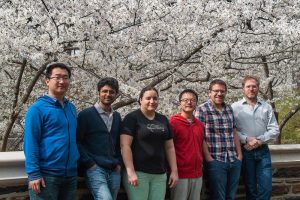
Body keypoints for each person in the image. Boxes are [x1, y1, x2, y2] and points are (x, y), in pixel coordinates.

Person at [24, 62, 79, 200]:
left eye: (66, 78)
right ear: (47, 81)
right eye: (57, 77)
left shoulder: (71, 108)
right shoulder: (37, 109)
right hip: (46, 176)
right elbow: (30, 142)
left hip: (70, 175)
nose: (62, 81)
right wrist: (34, 173)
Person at [120, 86, 178, 200]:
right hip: (139, 172)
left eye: (155, 98)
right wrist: (130, 172)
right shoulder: (131, 118)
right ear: (140, 100)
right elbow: (125, 146)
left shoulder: (163, 119)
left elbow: (170, 147)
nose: (152, 101)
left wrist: (174, 171)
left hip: (160, 174)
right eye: (148, 98)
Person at [232, 75, 279, 200]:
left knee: (267, 187)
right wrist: (247, 139)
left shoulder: (266, 107)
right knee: (250, 187)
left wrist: (259, 140)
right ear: (243, 89)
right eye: (248, 86)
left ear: (258, 88)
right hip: (245, 150)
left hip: (263, 150)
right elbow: (232, 130)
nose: (251, 89)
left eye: (254, 86)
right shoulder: (235, 108)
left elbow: (275, 130)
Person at [195, 79, 242, 200]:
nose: (219, 94)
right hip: (216, 160)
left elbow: (234, 131)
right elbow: (200, 136)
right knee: (218, 197)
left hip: (233, 159)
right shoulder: (202, 110)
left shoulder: (229, 109)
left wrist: (239, 155)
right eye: (216, 91)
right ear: (209, 92)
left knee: (231, 196)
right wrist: (209, 159)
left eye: (222, 91)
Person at [77, 77, 122, 200]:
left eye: (112, 92)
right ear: (98, 93)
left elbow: (118, 143)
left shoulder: (117, 116)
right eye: (105, 91)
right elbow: (77, 141)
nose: (108, 94)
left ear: (116, 94)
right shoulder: (86, 115)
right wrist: (89, 163)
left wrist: (119, 163)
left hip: (114, 168)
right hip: (95, 168)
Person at [169, 89, 205, 200]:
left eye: (192, 100)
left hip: (197, 173)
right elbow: (168, 148)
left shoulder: (199, 124)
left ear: (196, 103)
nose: (189, 102)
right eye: (185, 100)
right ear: (180, 103)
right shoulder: (172, 123)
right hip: (180, 174)